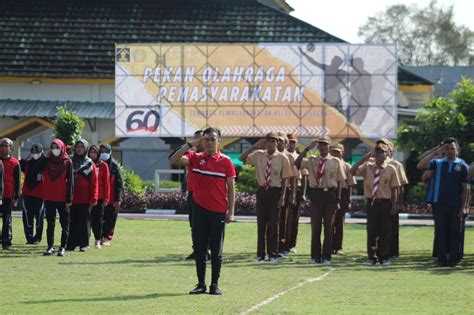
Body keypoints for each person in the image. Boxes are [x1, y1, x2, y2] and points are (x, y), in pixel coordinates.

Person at [170, 127, 236, 295]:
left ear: (219, 141)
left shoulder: (226, 161)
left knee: (216, 250)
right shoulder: (194, 158)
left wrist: (231, 211)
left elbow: (231, 188)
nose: (209, 142)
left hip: (218, 211)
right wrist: (190, 144)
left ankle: (214, 285)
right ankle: (201, 284)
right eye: (206, 139)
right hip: (199, 210)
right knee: (200, 249)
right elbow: (174, 159)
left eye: (212, 139)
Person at [239, 132, 292, 263]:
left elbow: (285, 178)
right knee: (261, 224)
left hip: (275, 192)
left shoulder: (282, 158)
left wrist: (283, 196)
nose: (271, 143)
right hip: (262, 191)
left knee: (274, 225)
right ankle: (260, 254)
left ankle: (273, 253)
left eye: (274, 141)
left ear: (277, 143)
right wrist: (254, 146)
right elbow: (241, 158)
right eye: (268, 141)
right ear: (265, 142)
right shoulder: (258, 155)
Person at [295, 135, 346, 265]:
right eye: (320, 144)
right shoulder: (312, 160)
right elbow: (297, 163)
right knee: (315, 226)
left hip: (330, 194)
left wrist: (338, 199)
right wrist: (307, 149)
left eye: (325, 144)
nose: (322, 147)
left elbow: (340, 181)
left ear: (329, 146)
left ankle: (327, 256)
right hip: (316, 194)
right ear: (317, 146)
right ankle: (315, 256)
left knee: (328, 227)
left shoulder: (335, 161)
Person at [350, 141, 400, 267]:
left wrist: (394, 205)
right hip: (372, 202)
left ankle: (384, 257)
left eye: (382, 151)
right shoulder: (368, 166)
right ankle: (372, 257)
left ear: (386, 154)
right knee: (371, 230)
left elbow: (395, 188)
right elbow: (352, 171)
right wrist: (363, 158)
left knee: (385, 231)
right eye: (377, 151)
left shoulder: (391, 168)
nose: (379, 154)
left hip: (385, 202)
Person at [423, 139, 469, 267]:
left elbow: (466, 188)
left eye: (452, 149)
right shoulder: (437, 163)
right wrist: (435, 151)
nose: (449, 151)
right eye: (447, 149)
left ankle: (454, 260)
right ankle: (441, 260)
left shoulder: (462, 165)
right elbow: (420, 166)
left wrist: (464, 206)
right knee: (440, 231)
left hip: (456, 205)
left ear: (457, 151)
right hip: (439, 204)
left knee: (455, 232)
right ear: (444, 150)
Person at [169, 130, 205, 260]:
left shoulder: (214, 156)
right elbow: (173, 159)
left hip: (209, 195)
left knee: (209, 225)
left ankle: (208, 250)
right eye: (195, 139)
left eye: (200, 139)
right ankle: (197, 250)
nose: (198, 142)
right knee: (194, 225)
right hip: (193, 194)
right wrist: (189, 145)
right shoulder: (191, 155)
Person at [42, 139, 74, 257]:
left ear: (62, 148)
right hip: (50, 196)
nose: (55, 149)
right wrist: (45, 156)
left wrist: (69, 199)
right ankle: (50, 246)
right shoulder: (46, 161)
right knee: (50, 223)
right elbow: (36, 167)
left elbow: (71, 181)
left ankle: (62, 247)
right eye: (53, 147)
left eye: (57, 147)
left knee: (64, 223)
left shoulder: (67, 162)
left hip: (62, 198)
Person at [379, 139, 409, 260]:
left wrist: (398, 203)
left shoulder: (396, 165)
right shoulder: (372, 164)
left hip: (391, 200)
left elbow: (400, 185)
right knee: (377, 228)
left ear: (391, 150)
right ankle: (377, 252)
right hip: (378, 199)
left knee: (391, 228)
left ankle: (392, 252)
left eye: (386, 147)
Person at [67, 139, 98, 252]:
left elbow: (94, 182)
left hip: (85, 198)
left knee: (84, 222)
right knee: (71, 221)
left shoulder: (90, 163)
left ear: (85, 149)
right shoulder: (69, 161)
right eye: (77, 146)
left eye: (82, 147)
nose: (79, 148)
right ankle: (71, 244)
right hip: (71, 198)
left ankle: (83, 244)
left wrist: (94, 197)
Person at [329, 143, 356, 255]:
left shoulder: (347, 166)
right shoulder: (327, 164)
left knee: (339, 222)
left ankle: (338, 247)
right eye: (333, 152)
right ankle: (329, 246)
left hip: (343, 194)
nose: (335, 154)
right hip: (330, 192)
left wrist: (348, 200)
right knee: (329, 221)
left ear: (342, 153)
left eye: (337, 152)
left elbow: (350, 184)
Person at [285, 133, 308, 254]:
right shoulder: (282, 155)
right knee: (284, 219)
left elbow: (304, 176)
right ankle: (282, 243)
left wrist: (303, 193)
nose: (291, 144)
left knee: (294, 218)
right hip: (285, 187)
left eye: (293, 142)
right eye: (289, 141)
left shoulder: (299, 157)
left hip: (297, 188)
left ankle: (292, 244)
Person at [20, 143, 45, 245]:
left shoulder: (45, 163)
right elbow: (18, 164)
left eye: (36, 151)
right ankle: (29, 237)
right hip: (27, 193)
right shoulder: (27, 163)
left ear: (41, 151)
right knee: (27, 217)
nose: (34, 153)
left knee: (39, 217)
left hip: (40, 194)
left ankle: (37, 238)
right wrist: (26, 158)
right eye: (32, 152)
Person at [99, 143, 123, 246]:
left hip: (112, 198)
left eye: (106, 151)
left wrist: (117, 199)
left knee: (110, 219)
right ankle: (99, 237)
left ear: (110, 152)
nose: (103, 154)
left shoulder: (114, 166)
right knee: (99, 218)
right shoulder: (96, 164)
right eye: (102, 151)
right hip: (100, 197)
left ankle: (107, 238)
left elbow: (119, 184)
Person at [88, 145, 110, 249]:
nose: (92, 155)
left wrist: (106, 198)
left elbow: (106, 183)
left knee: (98, 220)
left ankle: (97, 239)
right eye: (91, 152)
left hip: (100, 197)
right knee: (87, 219)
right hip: (87, 196)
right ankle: (84, 240)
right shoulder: (86, 164)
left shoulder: (103, 165)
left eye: (94, 153)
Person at [0, 138, 20, 250]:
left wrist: (16, 197)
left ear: (10, 148)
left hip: (7, 195)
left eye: (5, 145)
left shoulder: (15, 163)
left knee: (7, 219)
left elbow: (17, 181)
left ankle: (6, 242)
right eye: (1, 145)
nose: (3, 148)